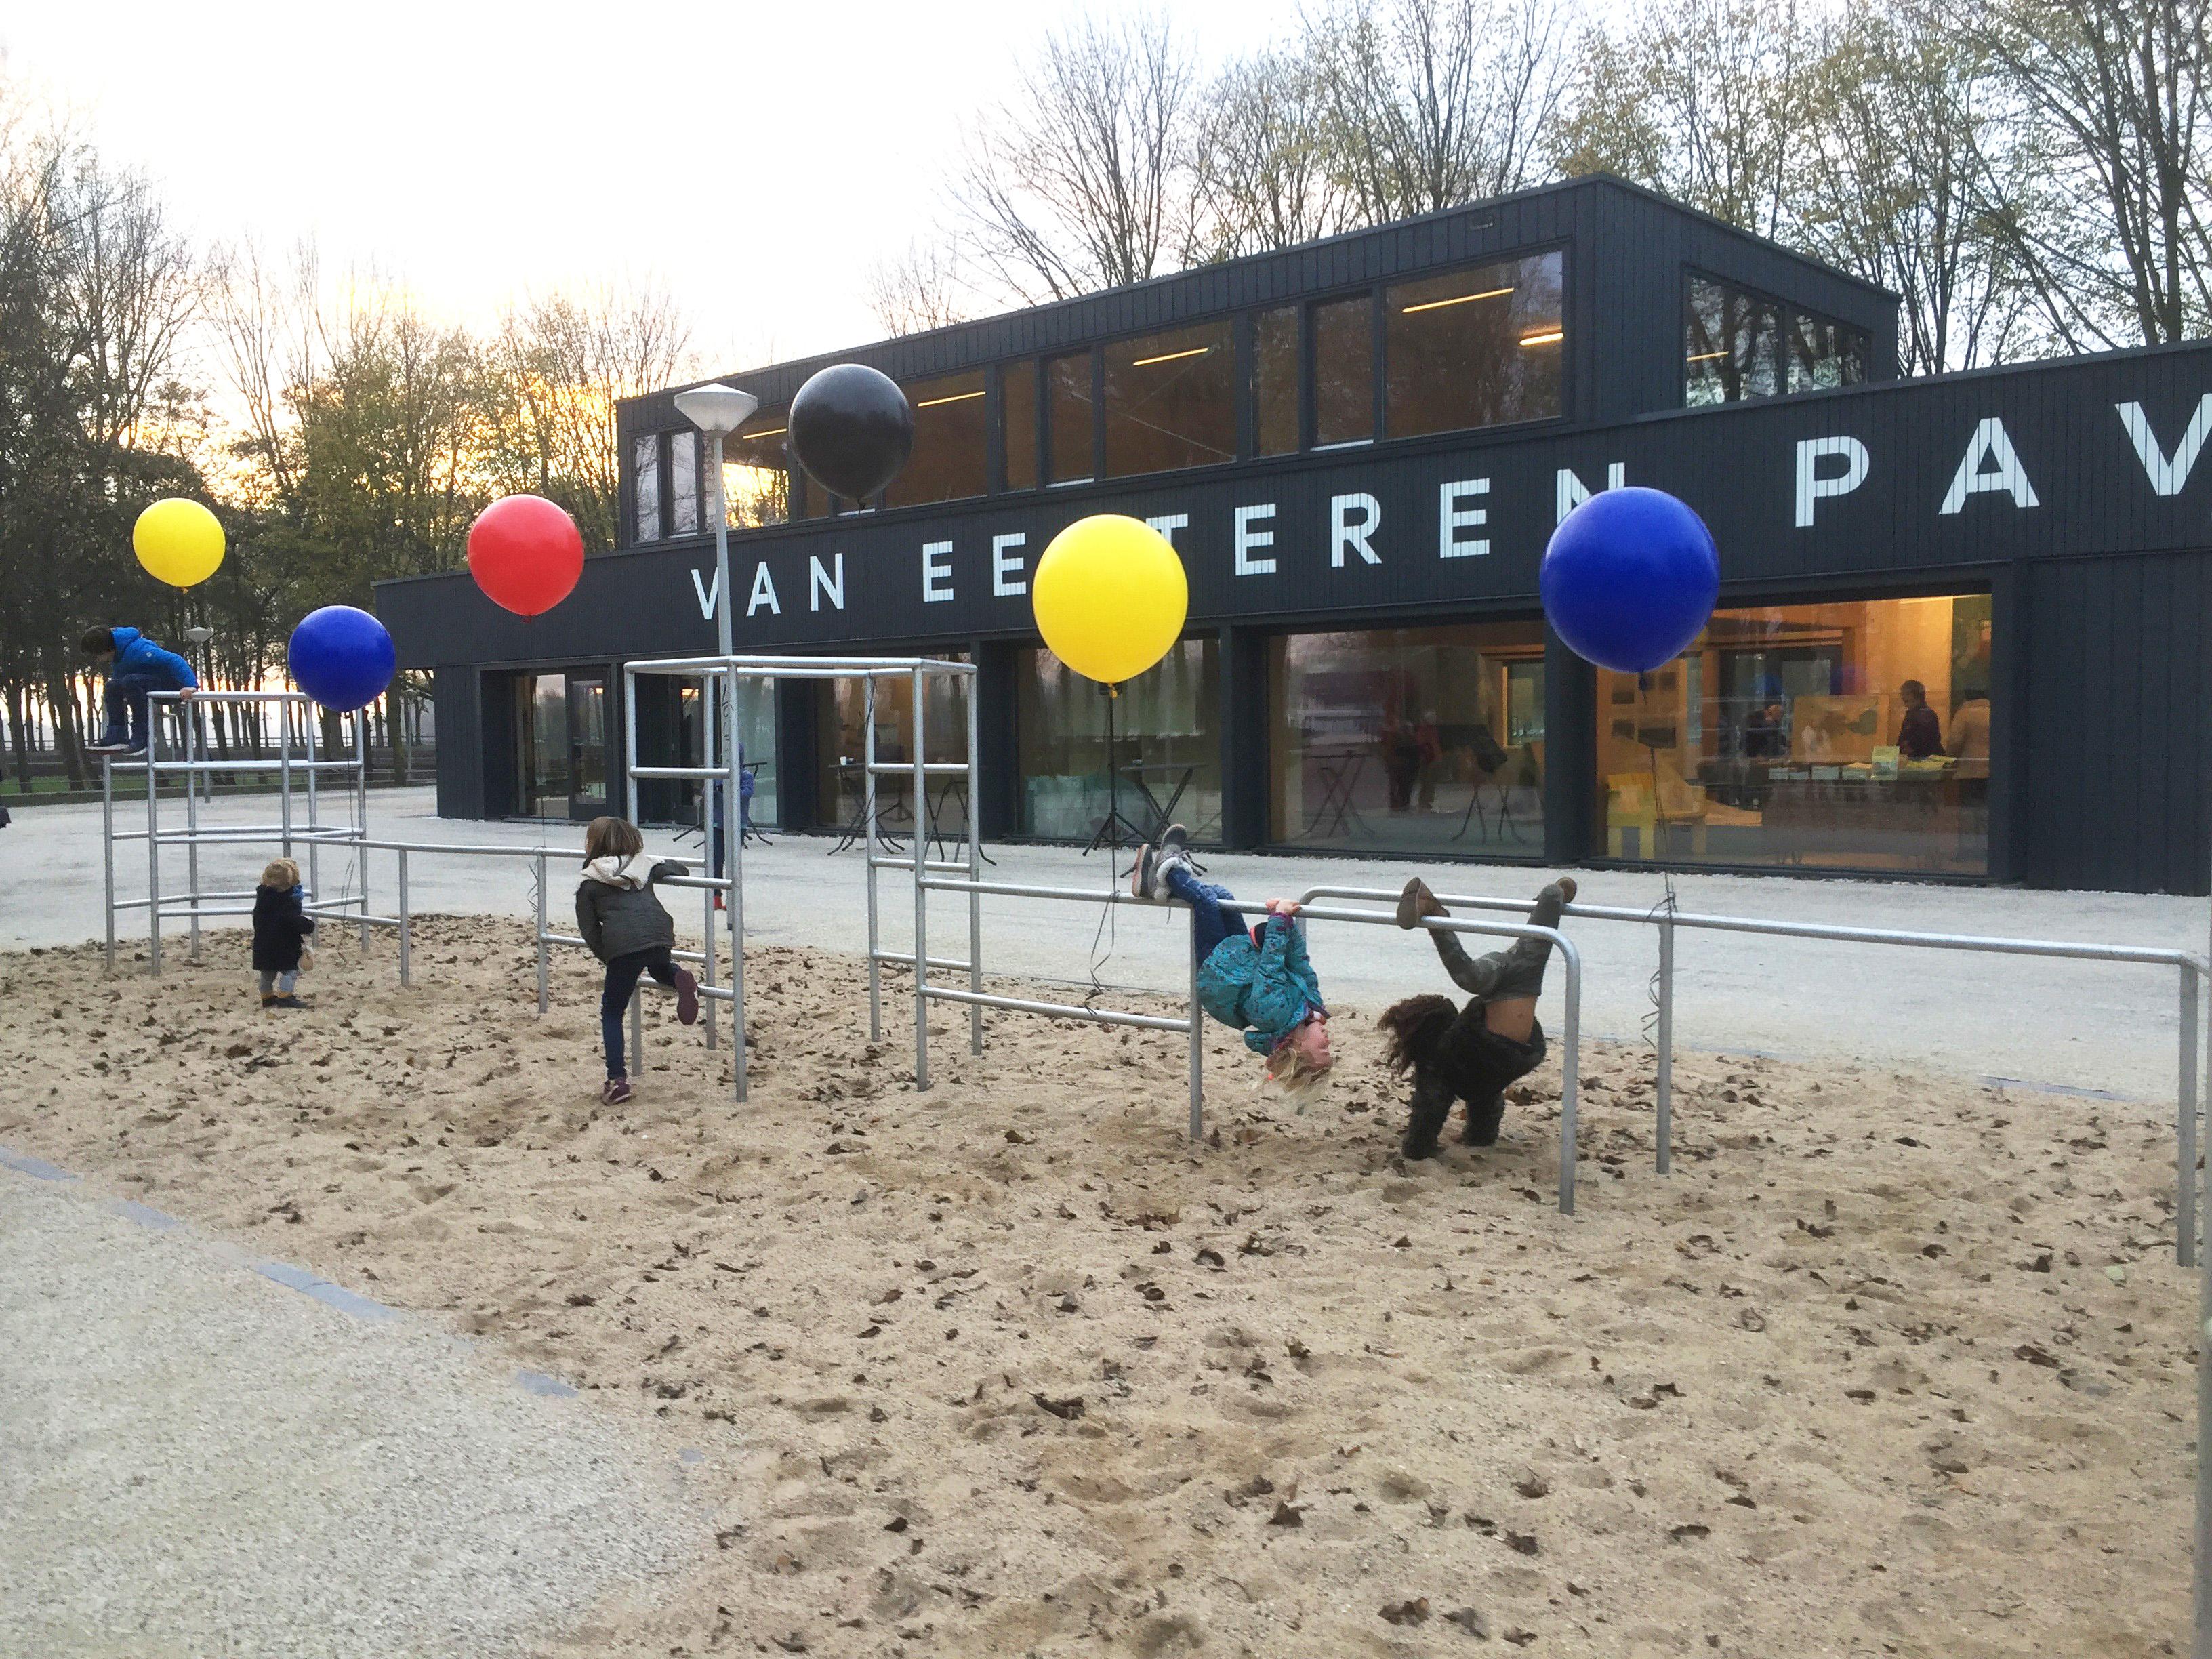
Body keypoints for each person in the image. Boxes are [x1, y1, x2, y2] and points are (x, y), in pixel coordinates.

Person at [1380, 875, 1577, 1159]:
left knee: (1471, 977)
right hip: (1513, 1006)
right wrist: (1479, 1137)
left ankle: (1436, 914)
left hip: (1502, 998)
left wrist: (1417, 1148)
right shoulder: (1464, 1061)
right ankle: (1557, 893)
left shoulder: (1442, 1065)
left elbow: (1429, 1110)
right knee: (1538, 934)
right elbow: (1489, 1098)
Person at [1132, 825, 1333, 1093]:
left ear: (1298, 1048)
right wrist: (1285, 921)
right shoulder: (1311, 1008)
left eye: (1323, 1049)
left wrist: (1280, 920)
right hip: (1241, 960)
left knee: (1205, 901)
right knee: (1225, 897)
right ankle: (1159, 884)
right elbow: (1300, 963)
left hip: (1218, 972)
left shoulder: (1274, 1015)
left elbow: (1271, 965)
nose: (1329, 1041)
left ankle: (1168, 867)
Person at [576, 815, 701, 1105]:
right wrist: (655, 863)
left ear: (594, 845)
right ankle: (678, 977)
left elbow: (589, 930)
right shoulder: (643, 868)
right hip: (659, 933)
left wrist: (608, 956)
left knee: (612, 1011)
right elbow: (680, 870)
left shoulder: (590, 883)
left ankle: (617, 1080)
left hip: (623, 945)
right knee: (659, 968)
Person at [80, 626, 197, 757]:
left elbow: (174, 659)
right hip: (146, 684)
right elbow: (119, 683)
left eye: (96, 656)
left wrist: (190, 685)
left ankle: (142, 736)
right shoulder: (118, 654)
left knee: (131, 681)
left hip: (172, 686)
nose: (96, 660)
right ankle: (117, 735)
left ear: (106, 650)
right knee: (111, 686)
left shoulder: (138, 649)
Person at [252, 858, 315, 1010]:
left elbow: (257, 919)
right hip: (284, 945)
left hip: (263, 944)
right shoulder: (288, 902)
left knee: (267, 973)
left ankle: (266, 997)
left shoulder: (263, 899)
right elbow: (292, 921)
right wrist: (308, 925)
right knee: (290, 971)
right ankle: (285, 996)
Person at [1896, 680, 1944, 760]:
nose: (1903, 698)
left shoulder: (1924, 715)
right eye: (1902, 694)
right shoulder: (1914, 714)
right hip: (1920, 760)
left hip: (1925, 761)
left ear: (1917, 696)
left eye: (1907, 694)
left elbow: (1924, 741)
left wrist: (1906, 746)